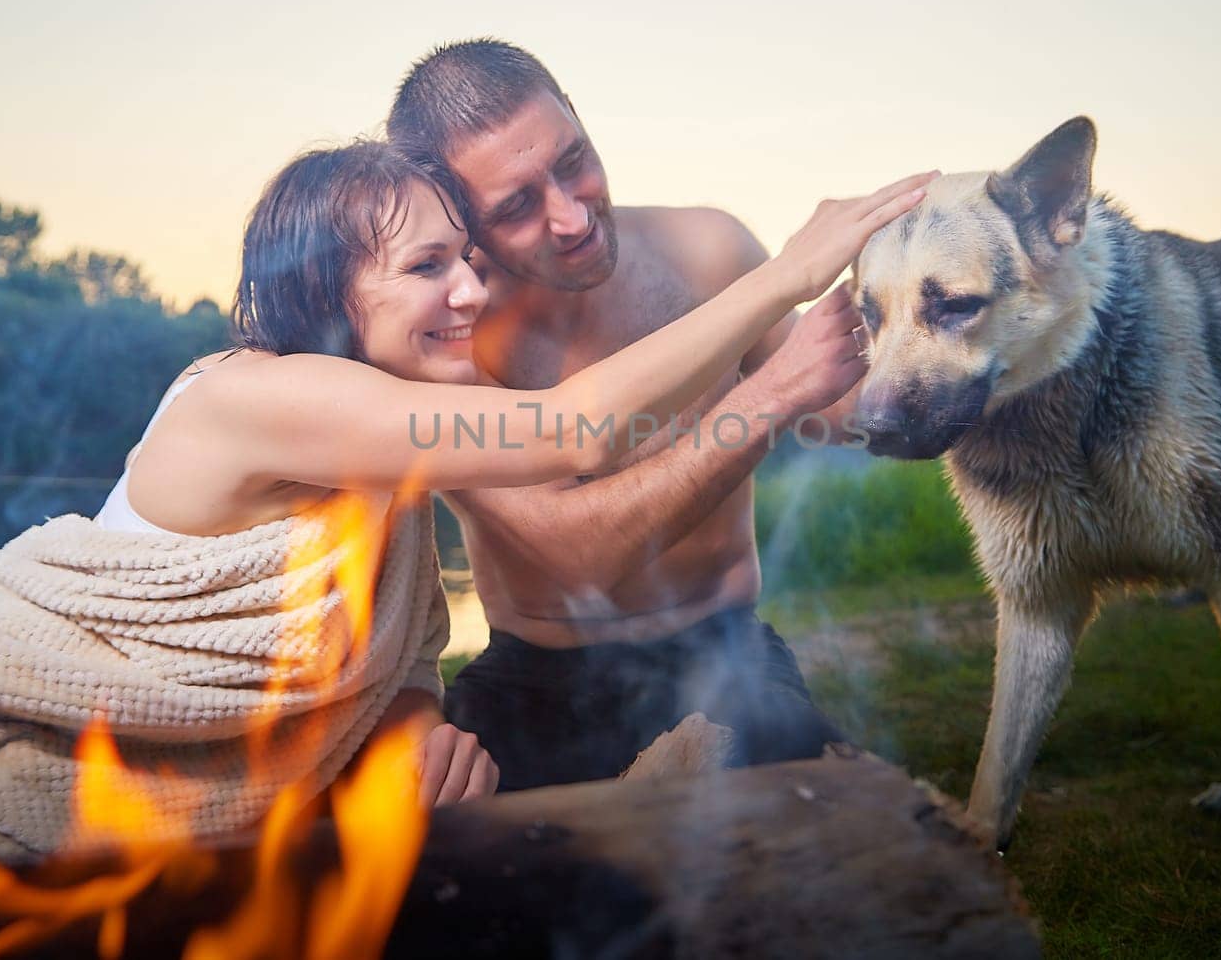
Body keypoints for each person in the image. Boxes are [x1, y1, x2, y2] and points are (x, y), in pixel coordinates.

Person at [0, 139, 926, 862]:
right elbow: (570, 427)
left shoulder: (385, 448)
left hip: (134, 753)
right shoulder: (262, 395)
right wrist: (782, 279)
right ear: (327, 289)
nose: (470, 291)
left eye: (466, 257)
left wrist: (415, 729)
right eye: (426, 267)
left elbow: (387, 645)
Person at [388, 38, 940, 789]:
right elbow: (580, 558)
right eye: (516, 206)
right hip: (534, 676)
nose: (572, 215)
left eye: (573, 159)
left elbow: (842, 410)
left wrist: (915, 294)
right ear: (458, 223)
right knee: (463, 880)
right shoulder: (449, 341)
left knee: (828, 843)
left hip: (720, 649)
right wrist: (773, 391)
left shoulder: (707, 246)